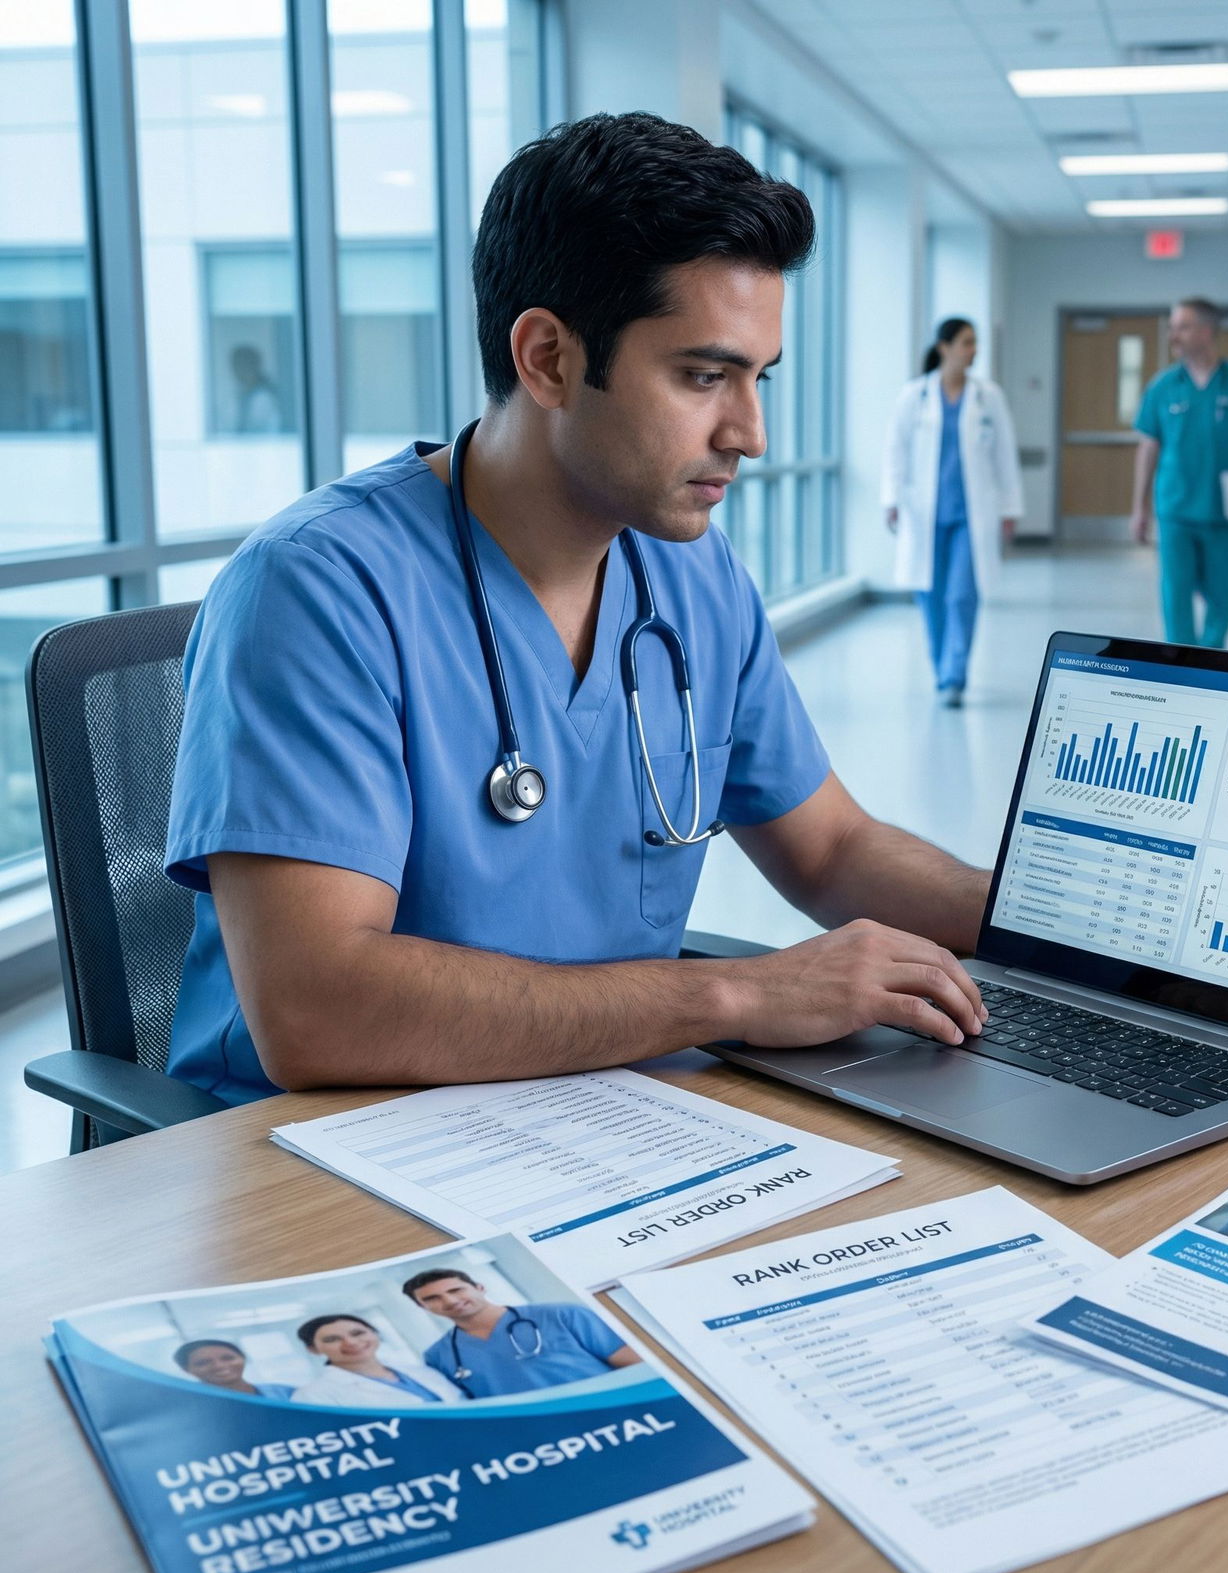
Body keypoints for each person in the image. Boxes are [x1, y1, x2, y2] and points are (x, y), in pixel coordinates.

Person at [163, 112, 994, 1107]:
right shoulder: (317, 590)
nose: (750, 433)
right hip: (320, 1148)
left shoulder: (692, 574)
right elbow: (318, 1010)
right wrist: (735, 993)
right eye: (704, 376)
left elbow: (832, 849)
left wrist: (1058, 925)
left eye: (757, 379)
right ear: (549, 358)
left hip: (592, 1112)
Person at [882, 317, 1022, 708]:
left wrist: (1010, 507)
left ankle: (954, 676)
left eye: (975, 343)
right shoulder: (915, 395)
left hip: (970, 516)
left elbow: (1004, 454)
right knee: (929, 595)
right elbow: (895, 449)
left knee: (962, 595)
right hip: (924, 513)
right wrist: (891, 498)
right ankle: (941, 667)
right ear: (944, 348)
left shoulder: (988, 396)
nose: (973, 350)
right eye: (966, 342)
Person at [1130, 298, 1228, 648]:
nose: (1173, 335)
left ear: (1207, 331)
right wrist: (1139, 507)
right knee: (1175, 592)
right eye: (1172, 327)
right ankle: (1181, 663)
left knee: (1225, 592)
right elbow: (1148, 449)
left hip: (1224, 511)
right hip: (1175, 509)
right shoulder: (1163, 386)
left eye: (1182, 327)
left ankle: (1210, 656)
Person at [403, 1268, 641, 1399]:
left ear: (480, 1288)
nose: (450, 1301)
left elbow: (636, 1365)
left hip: (618, 1410)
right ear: (422, 1307)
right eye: (432, 1298)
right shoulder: (436, 1356)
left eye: (456, 1290)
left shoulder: (563, 1314)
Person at [289, 1313, 462, 1407]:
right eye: (332, 1339)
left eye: (358, 1333)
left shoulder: (419, 1370)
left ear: (375, 1334)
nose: (351, 1342)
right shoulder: (312, 1396)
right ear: (313, 1349)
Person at [172, 1338, 295, 1400]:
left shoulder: (286, 1393)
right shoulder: (188, 1408)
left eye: (228, 1358)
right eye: (203, 1363)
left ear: (243, 1359)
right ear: (186, 1370)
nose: (219, 1366)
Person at [230, 345, 284, 434]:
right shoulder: (240, 395)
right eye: (235, 366)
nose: (237, 371)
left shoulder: (265, 397)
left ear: (255, 366)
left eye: (242, 365)